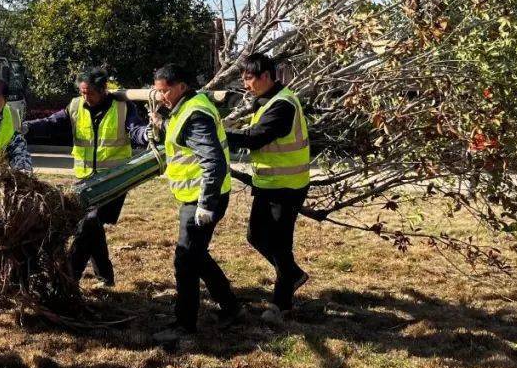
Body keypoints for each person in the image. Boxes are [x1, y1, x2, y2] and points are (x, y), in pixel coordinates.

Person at [25, 67, 145, 287]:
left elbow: (136, 129)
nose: (85, 97)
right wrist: (26, 128)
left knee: (88, 222)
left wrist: (146, 134)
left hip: (114, 180)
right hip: (85, 181)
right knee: (92, 225)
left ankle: (70, 278)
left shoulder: (122, 107)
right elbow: (52, 123)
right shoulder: (75, 106)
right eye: (82, 92)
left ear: (103, 90)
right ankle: (105, 277)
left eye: (89, 93)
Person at [150, 63, 239, 342]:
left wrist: (206, 204)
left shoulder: (195, 115)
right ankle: (231, 306)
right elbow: (181, 138)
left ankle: (184, 324)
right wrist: (160, 123)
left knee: (186, 259)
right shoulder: (185, 108)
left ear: (181, 87)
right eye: (157, 91)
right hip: (196, 196)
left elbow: (213, 161)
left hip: (202, 198)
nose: (161, 97)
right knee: (196, 255)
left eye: (165, 91)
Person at [225, 53, 311, 324]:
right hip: (269, 183)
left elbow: (256, 138)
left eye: (249, 78)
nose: (245, 84)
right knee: (256, 237)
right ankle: (292, 275)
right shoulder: (267, 101)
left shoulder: (282, 104)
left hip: (287, 186)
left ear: (266, 76)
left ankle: (281, 305)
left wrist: (217, 135)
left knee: (280, 244)